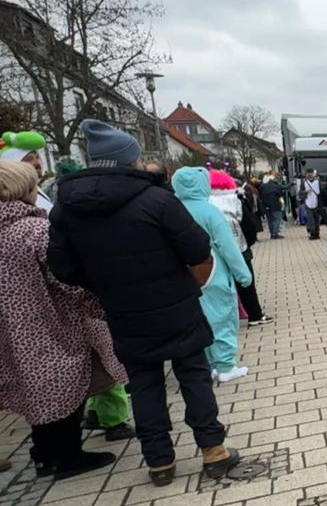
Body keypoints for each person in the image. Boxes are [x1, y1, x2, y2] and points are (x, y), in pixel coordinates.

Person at [48, 119, 241, 486]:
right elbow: (197, 248)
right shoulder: (156, 200)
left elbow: (63, 269)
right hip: (176, 304)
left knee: (144, 383)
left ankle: (159, 461)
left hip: (122, 311)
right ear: (129, 160)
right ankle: (213, 451)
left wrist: (106, 284)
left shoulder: (66, 209)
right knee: (193, 376)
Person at [0, 160, 123, 478]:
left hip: (9, 328)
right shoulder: (34, 230)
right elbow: (64, 275)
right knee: (64, 386)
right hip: (50, 321)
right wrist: (97, 302)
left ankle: (43, 454)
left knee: (33, 388)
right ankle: (68, 457)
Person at [173, 167, 254, 382]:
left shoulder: (172, 210)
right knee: (222, 317)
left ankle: (207, 365)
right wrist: (243, 274)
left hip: (183, 275)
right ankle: (226, 365)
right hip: (213, 271)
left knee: (199, 320)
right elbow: (228, 246)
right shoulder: (209, 212)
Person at [208, 168, 272, 328]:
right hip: (238, 247)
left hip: (212, 253)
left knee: (219, 284)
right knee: (246, 282)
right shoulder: (235, 198)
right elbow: (248, 224)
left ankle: (224, 321)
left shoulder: (205, 202)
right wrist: (248, 244)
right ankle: (255, 314)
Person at [1, 131, 54, 211]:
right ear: (13, 167)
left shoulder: (35, 189)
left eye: (37, 157)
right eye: (28, 159)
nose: (37, 163)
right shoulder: (11, 201)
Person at [259, 172, 286, 238]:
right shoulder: (276, 186)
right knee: (277, 219)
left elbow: (260, 194)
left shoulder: (263, 186)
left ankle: (272, 233)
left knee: (270, 220)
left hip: (266, 205)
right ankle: (275, 234)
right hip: (275, 205)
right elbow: (280, 194)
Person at [301, 169, 323, 240]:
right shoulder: (304, 182)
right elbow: (300, 192)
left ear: (314, 174)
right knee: (310, 219)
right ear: (306, 174)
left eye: (311, 174)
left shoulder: (318, 182)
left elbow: (321, 191)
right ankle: (312, 233)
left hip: (317, 203)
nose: (310, 175)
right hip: (308, 202)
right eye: (308, 174)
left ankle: (317, 233)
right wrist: (305, 191)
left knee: (317, 219)